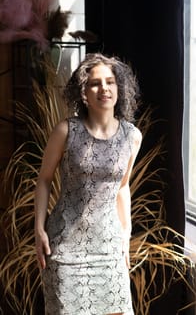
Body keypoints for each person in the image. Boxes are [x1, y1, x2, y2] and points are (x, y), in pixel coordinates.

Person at [34, 52, 142, 315]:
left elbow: (122, 186)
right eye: (95, 83)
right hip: (66, 247)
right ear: (83, 91)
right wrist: (39, 228)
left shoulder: (132, 136)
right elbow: (44, 180)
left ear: (119, 88)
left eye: (110, 82)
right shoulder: (66, 131)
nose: (103, 88)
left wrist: (125, 235)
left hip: (109, 246)